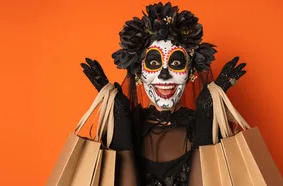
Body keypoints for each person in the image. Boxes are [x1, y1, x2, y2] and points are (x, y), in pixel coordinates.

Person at [79, 2, 247, 186]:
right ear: (138, 74)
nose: (165, 75)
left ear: (190, 72)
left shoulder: (204, 126)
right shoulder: (125, 126)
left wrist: (206, 113)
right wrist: (119, 117)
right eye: (153, 63)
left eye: (176, 64)